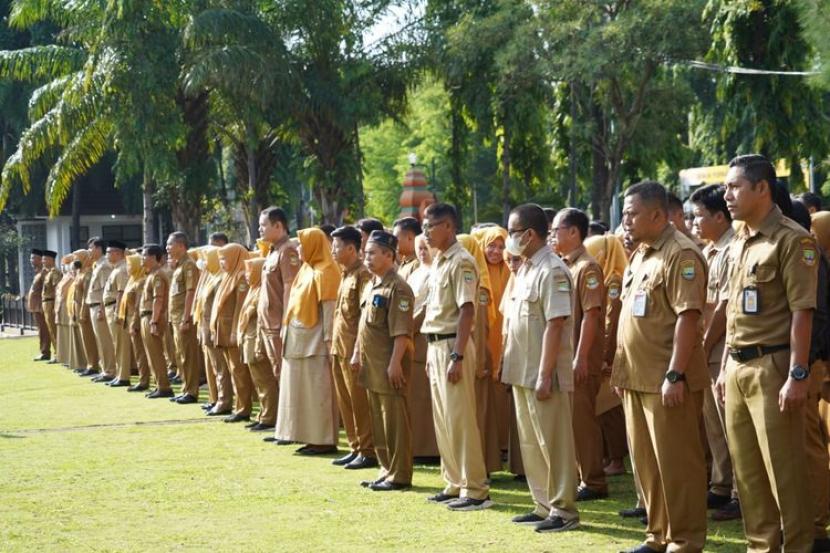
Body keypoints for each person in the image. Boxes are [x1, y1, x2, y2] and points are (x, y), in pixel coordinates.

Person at [717, 155, 816, 552]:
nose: (727, 195)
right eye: (726, 187)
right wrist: (725, 364)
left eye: (735, 186)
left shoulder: (793, 240)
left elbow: (802, 311)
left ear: (762, 188)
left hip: (773, 367)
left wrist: (797, 373)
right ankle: (761, 547)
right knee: (748, 473)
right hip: (738, 367)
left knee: (784, 472)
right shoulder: (739, 239)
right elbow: (732, 310)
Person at [613, 180, 708, 553]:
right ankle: (656, 536)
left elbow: (688, 318)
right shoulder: (640, 254)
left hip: (668, 381)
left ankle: (684, 541)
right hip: (636, 378)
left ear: (656, 214)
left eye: (632, 213)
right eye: (624, 214)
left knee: (678, 467)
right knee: (648, 467)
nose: (626, 221)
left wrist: (675, 373)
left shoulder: (680, 254)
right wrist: (622, 372)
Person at [502, 203, 580, 533]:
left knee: (554, 443)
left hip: (544, 374)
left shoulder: (552, 270)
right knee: (532, 443)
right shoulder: (525, 269)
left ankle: (563, 510)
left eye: (512, 233)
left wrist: (546, 374)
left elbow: (556, 324)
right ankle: (543, 503)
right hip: (523, 371)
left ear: (529, 234)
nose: (509, 239)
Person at [421, 203, 491, 511]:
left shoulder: (462, 261)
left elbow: (466, 311)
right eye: (424, 226)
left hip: (453, 344)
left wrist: (458, 355)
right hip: (436, 343)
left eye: (431, 226)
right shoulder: (439, 261)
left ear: (449, 226)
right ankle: (453, 481)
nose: (426, 232)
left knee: (461, 419)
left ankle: (475, 489)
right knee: (443, 419)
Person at [689, 184, 740, 521]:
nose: (695, 224)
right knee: (714, 426)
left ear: (720, 217)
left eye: (700, 217)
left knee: (731, 425)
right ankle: (721, 485)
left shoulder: (732, 248)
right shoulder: (708, 251)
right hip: (705, 350)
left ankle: (739, 491)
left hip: (719, 348)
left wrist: (704, 343)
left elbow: (722, 307)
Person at [551, 207, 608, 501]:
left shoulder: (587, 267)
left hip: (580, 358)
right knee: (573, 420)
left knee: (583, 420)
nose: (553, 236)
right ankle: (581, 475)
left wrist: (582, 357)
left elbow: (592, 315)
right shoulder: (565, 265)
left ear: (574, 232)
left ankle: (594, 480)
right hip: (569, 356)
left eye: (556, 230)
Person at [352, 230, 416, 491]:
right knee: (378, 421)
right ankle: (385, 469)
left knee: (394, 423)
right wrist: (357, 352)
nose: (366, 257)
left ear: (389, 255)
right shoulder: (372, 284)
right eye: (365, 252)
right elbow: (362, 325)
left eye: (372, 253)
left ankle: (399, 475)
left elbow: (402, 331)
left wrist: (395, 363)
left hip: (389, 365)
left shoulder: (398, 288)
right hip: (372, 365)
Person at [274, 228, 341, 455]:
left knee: (318, 394)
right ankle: (306, 436)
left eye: (302, 244)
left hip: (316, 345)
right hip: (297, 342)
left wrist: (330, 342)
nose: (299, 249)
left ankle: (323, 440)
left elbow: (330, 312)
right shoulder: (306, 270)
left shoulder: (327, 271)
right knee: (300, 393)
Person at [329, 225, 376, 469]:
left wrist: (358, 349)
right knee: (345, 401)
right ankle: (355, 446)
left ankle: (367, 450)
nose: (332, 251)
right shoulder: (345, 273)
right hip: (339, 348)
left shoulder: (362, 275)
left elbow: (363, 316)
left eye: (336, 246)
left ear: (351, 248)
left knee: (359, 402)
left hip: (353, 349)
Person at [584, 233, 629, 478]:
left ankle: (616, 459)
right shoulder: (606, 277)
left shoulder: (614, 281)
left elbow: (611, 322)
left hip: (610, 356)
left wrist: (605, 355)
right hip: (605, 353)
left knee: (610, 410)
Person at [458, 234, 502, 474]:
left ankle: (482, 464)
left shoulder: (480, 285)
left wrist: (480, 362)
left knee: (479, 413)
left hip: (476, 358)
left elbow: (481, 327)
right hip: (468, 354)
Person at [257, 207, 301, 438]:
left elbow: (289, 287)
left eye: (264, 225)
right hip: (267, 324)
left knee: (284, 375)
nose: (260, 229)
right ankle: (282, 425)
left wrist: (286, 322)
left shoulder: (288, 251)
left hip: (278, 325)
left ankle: (290, 428)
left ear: (278, 225)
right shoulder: (272, 252)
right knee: (276, 374)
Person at [472, 226, 511, 456]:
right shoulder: (479, 272)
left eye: (501, 247)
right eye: (491, 246)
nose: (496, 251)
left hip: (505, 337)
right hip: (486, 337)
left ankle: (505, 444)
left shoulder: (511, 270)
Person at [405, 233, 440, 459]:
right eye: (419, 247)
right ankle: (416, 445)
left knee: (425, 397)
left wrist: (410, 326)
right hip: (408, 336)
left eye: (426, 247)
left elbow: (427, 307)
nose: (422, 251)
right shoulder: (415, 272)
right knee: (414, 396)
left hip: (422, 336)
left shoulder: (435, 272)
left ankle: (429, 448)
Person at [211, 243, 254, 423]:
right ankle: (239, 406)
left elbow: (240, 308)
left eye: (224, 258)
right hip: (224, 331)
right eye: (220, 259)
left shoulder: (241, 277)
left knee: (239, 371)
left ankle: (244, 408)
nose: (221, 262)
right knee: (232, 370)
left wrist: (236, 331)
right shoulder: (227, 277)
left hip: (233, 333)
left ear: (236, 258)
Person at [238, 255, 278, 431]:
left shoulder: (263, 290)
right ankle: (263, 414)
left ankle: (269, 417)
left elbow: (263, 320)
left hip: (257, 340)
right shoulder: (253, 289)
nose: (247, 275)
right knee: (258, 382)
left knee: (265, 382)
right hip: (249, 339)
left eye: (250, 271)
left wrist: (260, 345)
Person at [195, 247, 233, 416]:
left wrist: (213, 329)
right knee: (214, 368)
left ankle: (224, 401)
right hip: (206, 327)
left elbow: (218, 308)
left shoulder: (220, 280)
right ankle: (216, 398)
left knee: (220, 369)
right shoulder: (211, 278)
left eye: (207, 258)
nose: (203, 261)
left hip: (214, 328)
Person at [167, 232, 201, 403]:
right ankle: (185, 388)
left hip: (183, 317)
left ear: (181, 246)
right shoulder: (178, 266)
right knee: (180, 354)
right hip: (175, 317)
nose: (167, 248)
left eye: (170, 244)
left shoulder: (189, 265)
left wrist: (187, 318)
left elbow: (191, 292)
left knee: (188, 355)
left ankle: (191, 391)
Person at [140, 244, 174, 399]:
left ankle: (164, 386)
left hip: (153, 317)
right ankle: (159, 384)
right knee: (151, 354)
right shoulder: (151, 274)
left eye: (144, 255)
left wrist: (154, 321)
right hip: (146, 316)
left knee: (156, 353)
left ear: (154, 258)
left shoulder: (158, 275)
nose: (142, 258)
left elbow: (158, 300)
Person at [85, 238, 115, 382]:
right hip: (94, 305)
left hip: (99, 306)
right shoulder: (97, 265)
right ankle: (105, 369)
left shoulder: (104, 266)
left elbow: (105, 290)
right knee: (100, 341)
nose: (89, 251)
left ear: (98, 248)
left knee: (105, 341)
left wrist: (102, 310)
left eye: (91, 248)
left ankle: (110, 370)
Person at [119, 253, 151, 392]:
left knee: (141, 352)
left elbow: (138, 305)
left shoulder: (141, 281)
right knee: (138, 352)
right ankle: (143, 379)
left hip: (136, 320)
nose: (128, 267)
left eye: (130, 264)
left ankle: (144, 380)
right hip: (130, 318)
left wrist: (134, 323)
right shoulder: (132, 280)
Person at [103, 240, 131, 387]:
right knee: (116, 344)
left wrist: (118, 313)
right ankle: (120, 374)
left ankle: (124, 376)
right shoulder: (115, 269)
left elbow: (121, 292)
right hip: (110, 307)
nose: (107, 255)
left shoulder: (122, 269)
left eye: (109, 252)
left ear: (117, 253)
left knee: (121, 344)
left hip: (115, 308)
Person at [27, 249, 51, 361]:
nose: (31, 260)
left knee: (44, 330)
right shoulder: (37, 273)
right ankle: (43, 351)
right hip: (36, 307)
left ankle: (45, 352)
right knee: (41, 330)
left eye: (33, 258)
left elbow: (46, 291)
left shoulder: (44, 273)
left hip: (41, 307)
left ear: (40, 260)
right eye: (31, 258)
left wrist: (42, 306)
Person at [66, 258, 87, 372]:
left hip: (80, 311)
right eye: (71, 270)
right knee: (77, 339)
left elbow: (83, 297)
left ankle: (84, 364)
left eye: (74, 269)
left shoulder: (82, 277)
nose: (72, 272)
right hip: (73, 312)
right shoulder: (74, 281)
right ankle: (78, 363)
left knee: (82, 339)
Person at [40, 250, 61, 363]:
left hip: (51, 302)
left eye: (45, 259)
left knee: (54, 330)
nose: (43, 261)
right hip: (46, 303)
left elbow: (57, 290)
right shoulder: (47, 273)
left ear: (52, 260)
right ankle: (56, 353)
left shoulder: (55, 273)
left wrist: (55, 306)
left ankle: (59, 354)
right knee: (51, 330)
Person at [54, 255, 74, 367]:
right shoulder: (64, 277)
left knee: (68, 333)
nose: (63, 267)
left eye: (65, 264)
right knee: (62, 333)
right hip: (59, 308)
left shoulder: (72, 277)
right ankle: (64, 357)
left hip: (67, 308)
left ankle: (70, 358)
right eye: (62, 264)